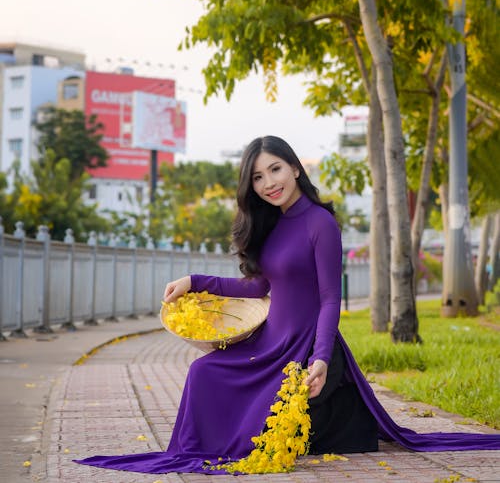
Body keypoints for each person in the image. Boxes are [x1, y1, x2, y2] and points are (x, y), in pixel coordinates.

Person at [75, 135, 500, 476]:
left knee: (241, 406)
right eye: (258, 177)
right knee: (204, 371)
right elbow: (258, 285)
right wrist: (193, 281)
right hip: (268, 340)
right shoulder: (273, 224)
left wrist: (319, 358)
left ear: (295, 168)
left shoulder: (321, 223)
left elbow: (331, 298)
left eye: (275, 169)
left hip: (300, 347)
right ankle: (199, 446)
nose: (268, 183)